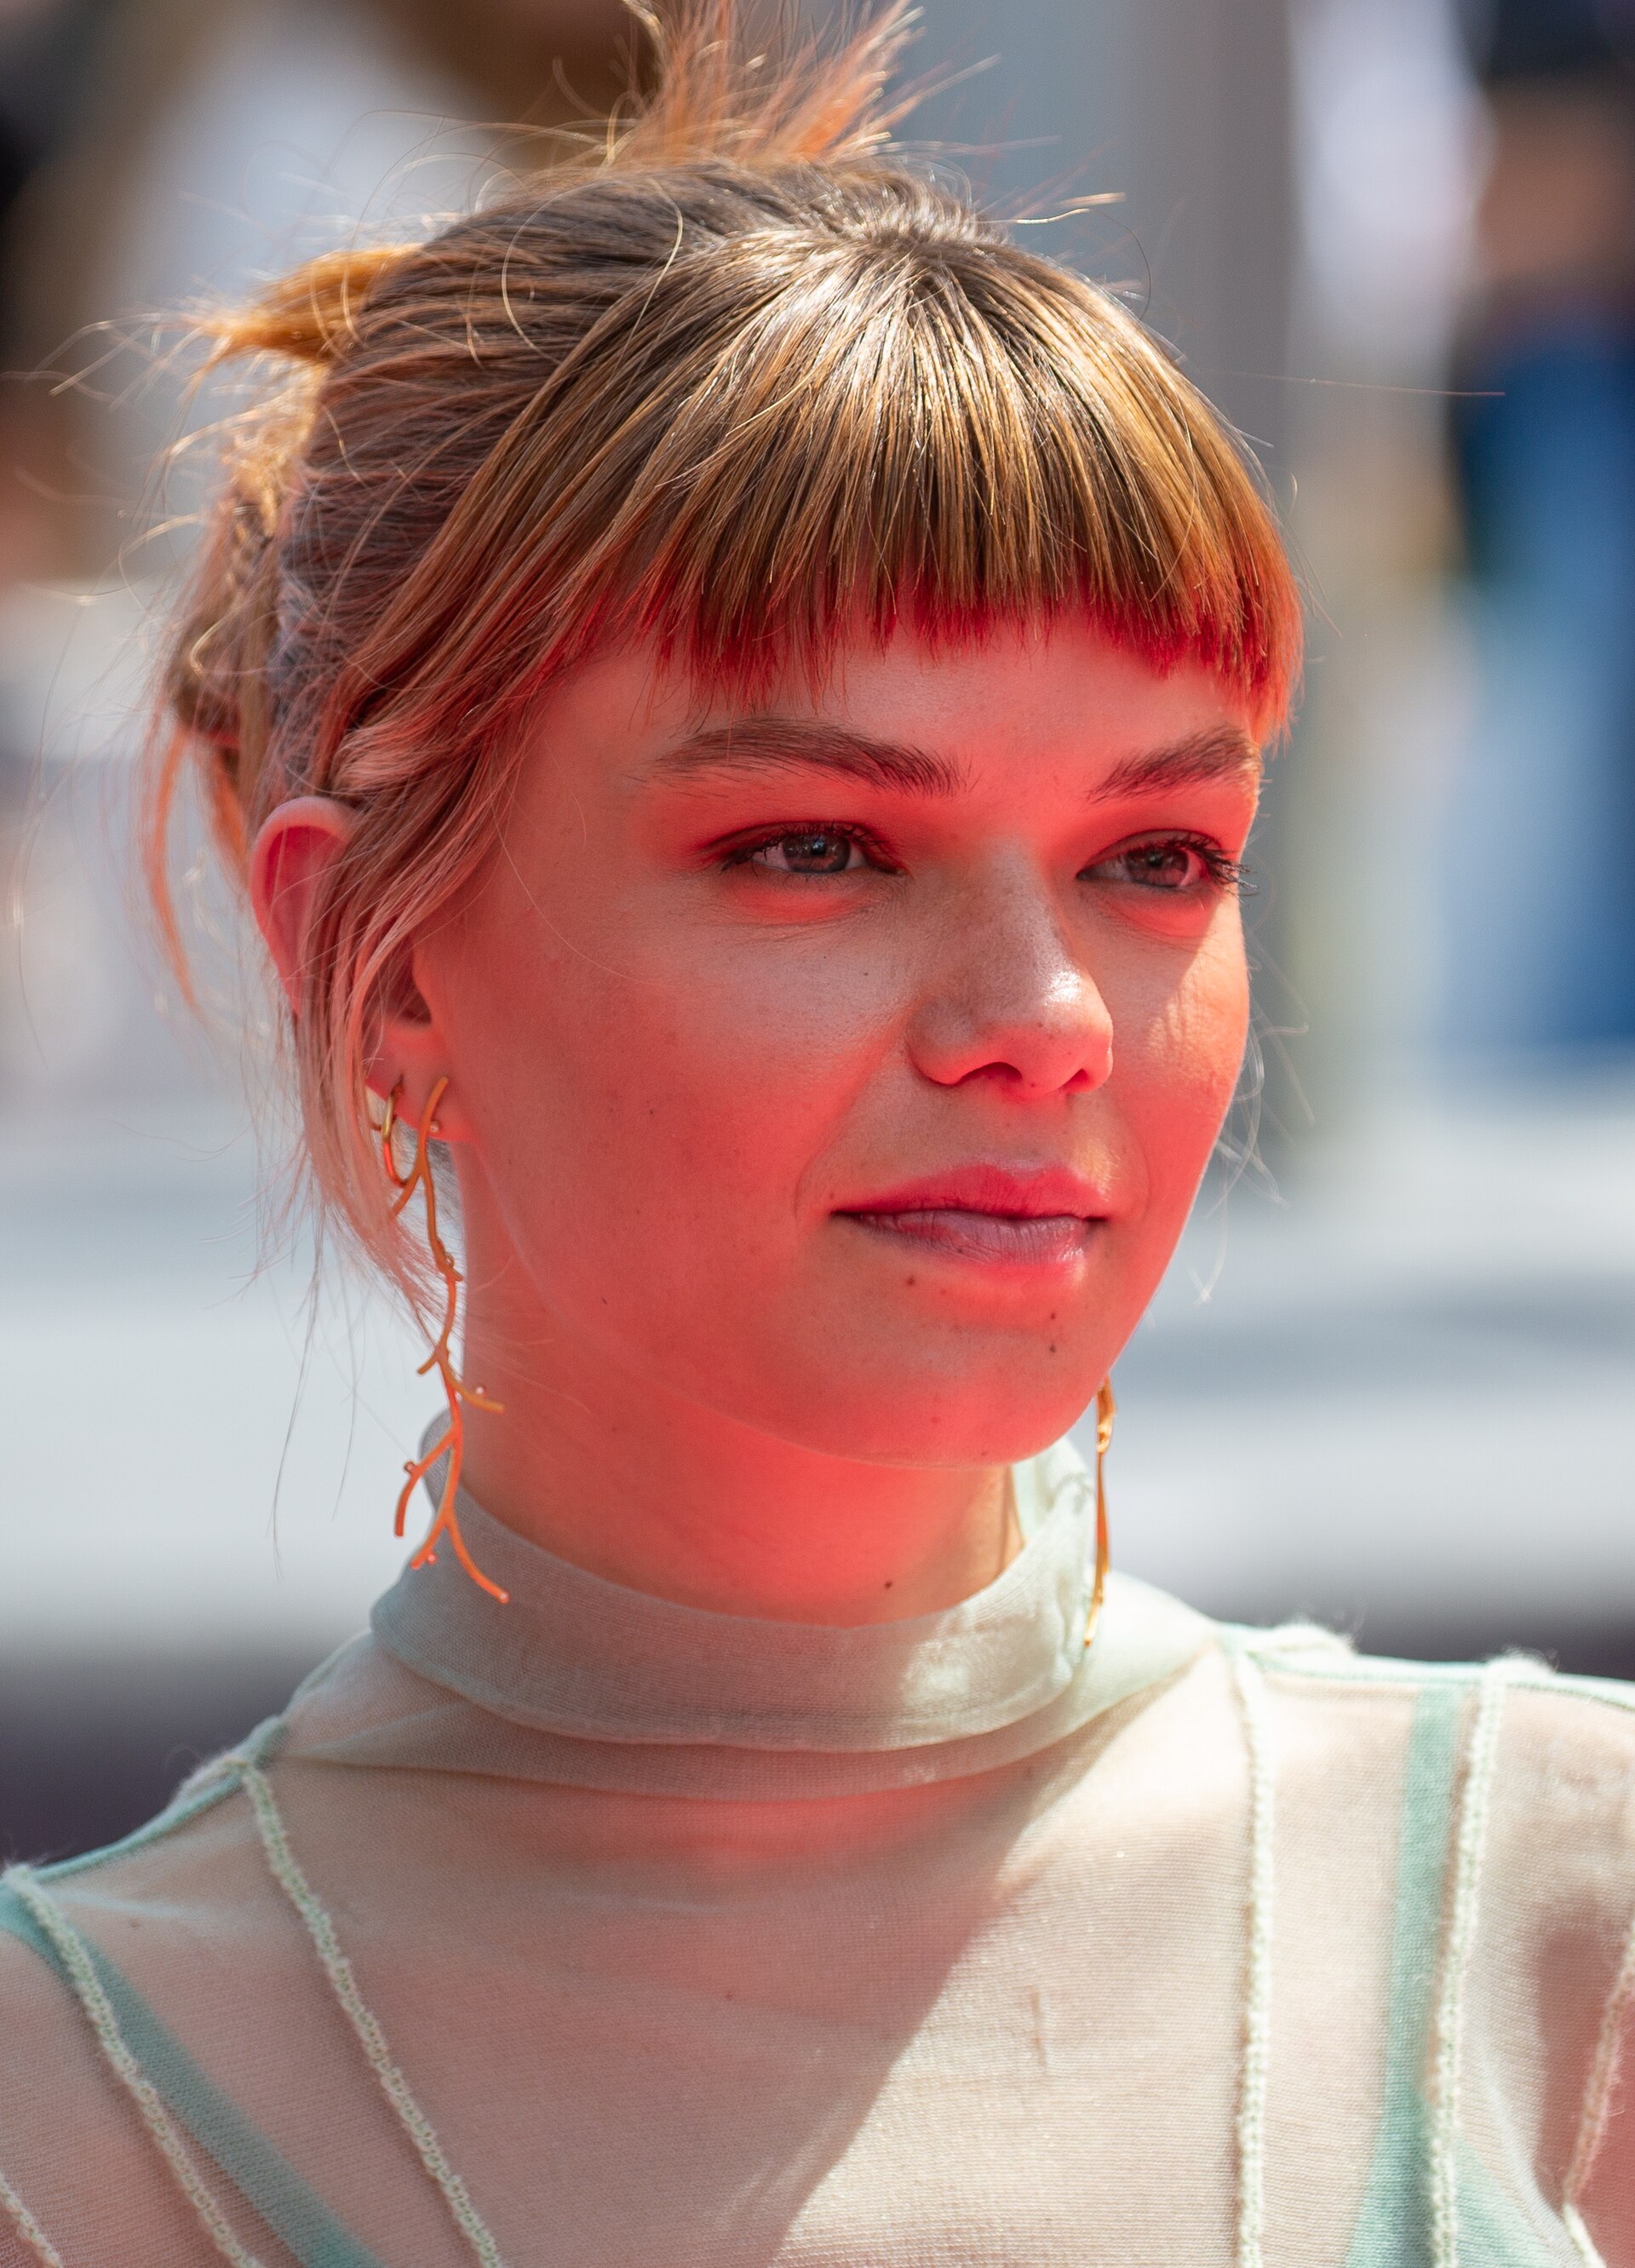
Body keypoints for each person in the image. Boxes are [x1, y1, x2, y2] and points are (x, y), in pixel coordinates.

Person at [2, 5, 1632, 2261]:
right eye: (816, 848)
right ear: (378, 958)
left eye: (1155, 856)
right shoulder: (78, 2111)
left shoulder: (1561, 1925)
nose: (1043, 1020)